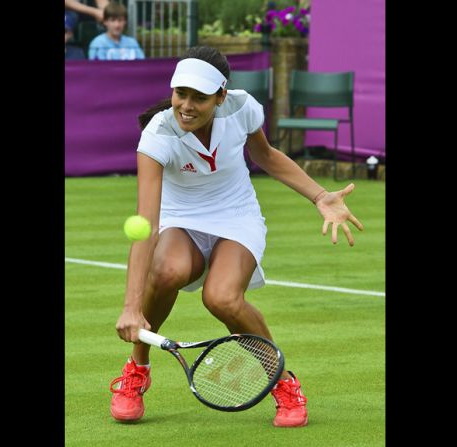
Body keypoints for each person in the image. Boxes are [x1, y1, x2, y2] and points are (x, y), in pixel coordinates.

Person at [108, 46, 363, 428]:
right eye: (181, 94)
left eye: (200, 97)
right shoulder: (158, 134)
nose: (187, 106)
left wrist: (319, 195)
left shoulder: (242, 107)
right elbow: (147, 222)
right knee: (165, 272)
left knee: (222, 298)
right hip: (181, 217)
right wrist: (131, 307)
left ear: (221, 96)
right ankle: (137, 370)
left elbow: (267, 156)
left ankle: (283, 382)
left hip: (236, 215)